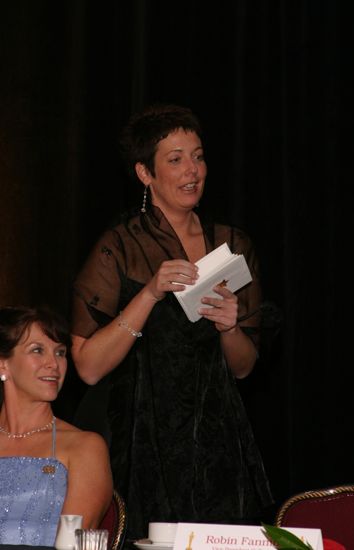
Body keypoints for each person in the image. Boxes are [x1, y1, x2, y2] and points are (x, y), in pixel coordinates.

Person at [71, 103, 273, 540]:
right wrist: (148, 294)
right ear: (145, 173)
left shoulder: (233, 244)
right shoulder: (120, 246)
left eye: (198, 156)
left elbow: (243, 367)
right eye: (176, 159)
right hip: (143, 439)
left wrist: (229, 327)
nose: (192, 170)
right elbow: (87, 367)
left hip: (217, 441)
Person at [0, 306, 113, 547]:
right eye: (37, 350)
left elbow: (74, 544)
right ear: (3, 365)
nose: (54, 363)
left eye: (60, 353)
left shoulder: (84, 446)